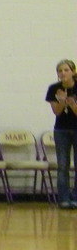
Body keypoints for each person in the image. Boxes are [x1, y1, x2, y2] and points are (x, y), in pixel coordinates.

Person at [47, 59, 77, 208]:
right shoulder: (54, 89)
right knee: (63, 165)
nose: (63, 73)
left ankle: (76, 197)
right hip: (61, 130)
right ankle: (64, 198)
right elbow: (57, 112)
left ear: (73, 71)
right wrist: (63, 102)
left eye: (66, 70)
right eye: (60, 71)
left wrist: (72, 103)